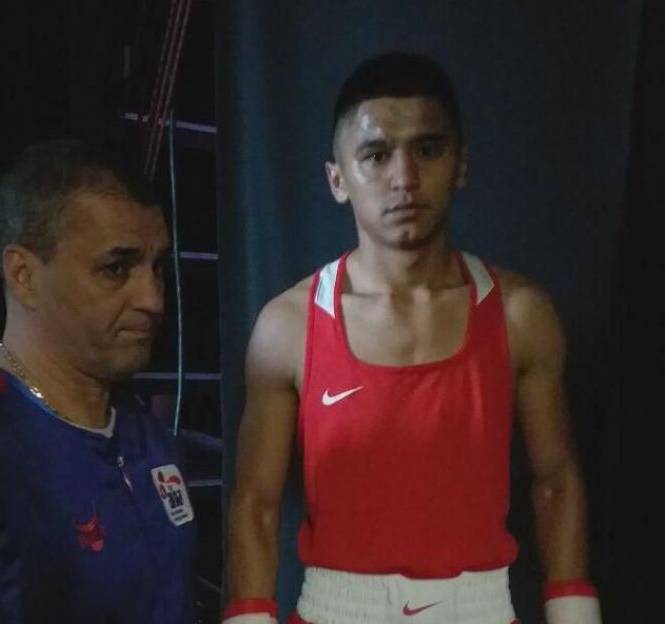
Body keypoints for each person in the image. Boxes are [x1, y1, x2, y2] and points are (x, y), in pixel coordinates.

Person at [224, 52, 602, 624]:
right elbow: (256, 504)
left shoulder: (519, 315)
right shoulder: (289, 327)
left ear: (461, 163)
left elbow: (556, 481)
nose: (404, 178)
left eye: (427, 149)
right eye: (376, 155)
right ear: (337, 179)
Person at [0, 140, 196, 623]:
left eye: (157, 267)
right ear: (23, 275)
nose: (152, 299)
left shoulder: (150, 441)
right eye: (116, 268)